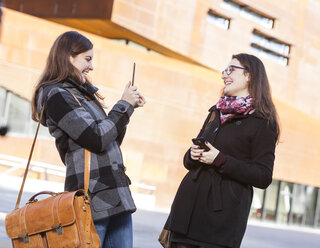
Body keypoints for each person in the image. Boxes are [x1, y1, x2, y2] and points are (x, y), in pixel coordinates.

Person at [30, 31, 145, 248]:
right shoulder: (56, 95)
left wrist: (129, 108)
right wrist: (124, 105)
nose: (91, 67)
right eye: (87, 59)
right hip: (90, 198)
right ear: (68, 57)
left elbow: (110, 140)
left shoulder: (82, 94)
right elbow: (96, 139)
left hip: (115, 194)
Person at [164, 53, 280, 248]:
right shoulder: (216, 111)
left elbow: (263, 176)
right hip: (186, 215)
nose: (224, 75)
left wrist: (220, 160)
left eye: (231, 70)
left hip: (219, 224)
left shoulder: (263, 123)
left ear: (249, 76)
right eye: (225, 70)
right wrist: (191, 155)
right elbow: (189, 161)